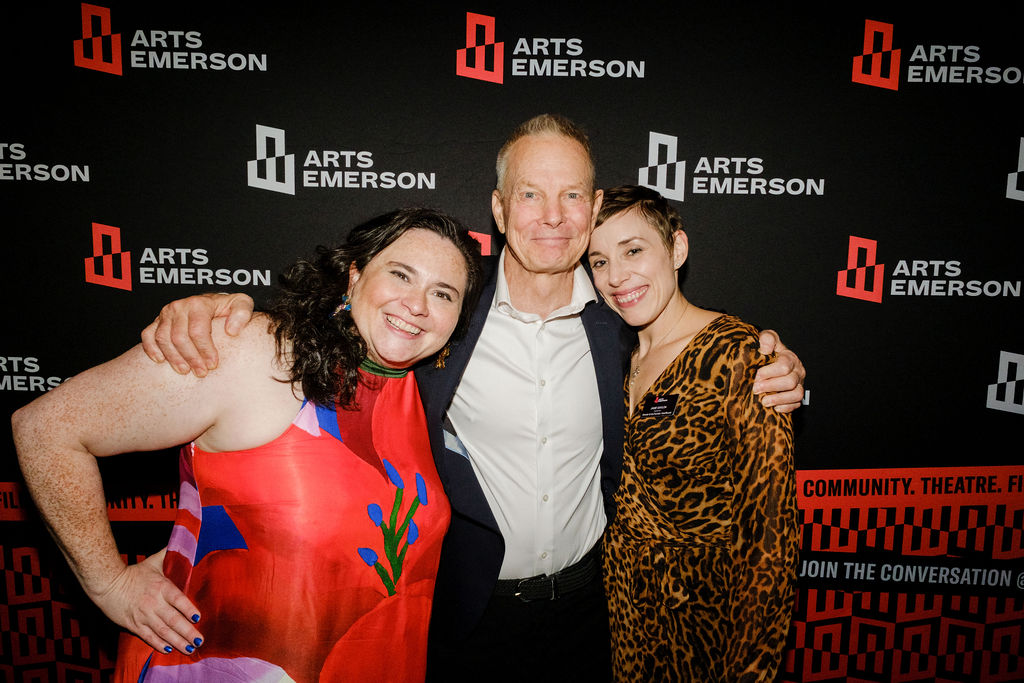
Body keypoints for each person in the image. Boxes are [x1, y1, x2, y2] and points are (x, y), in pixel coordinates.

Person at [139, 114, 806, 681]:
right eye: (530, 194)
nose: (552, 215)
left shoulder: (619, 320)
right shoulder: (444, 309)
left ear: (592, 207)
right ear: (499, 208)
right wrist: (216, 312)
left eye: (571, 195)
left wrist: (774, 365)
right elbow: (341, 325)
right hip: (466, 618)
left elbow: (688, 357)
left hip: (594, 614)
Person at [12, 208, 482, 682]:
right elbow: (45, 428)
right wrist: (110, 585)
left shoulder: (421, 396)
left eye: (443, 293)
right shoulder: (260, 349)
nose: (417, 304)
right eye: (400, 274)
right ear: (355, 276)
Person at [587, 185, 799, 681]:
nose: (616, 277)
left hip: (708, 625)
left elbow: (769, 540)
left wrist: (749, 671)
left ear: (677, 249)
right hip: (622, 619)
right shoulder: (610, 353)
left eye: (633, 251)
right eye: (599, 261)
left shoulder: (739, 355)